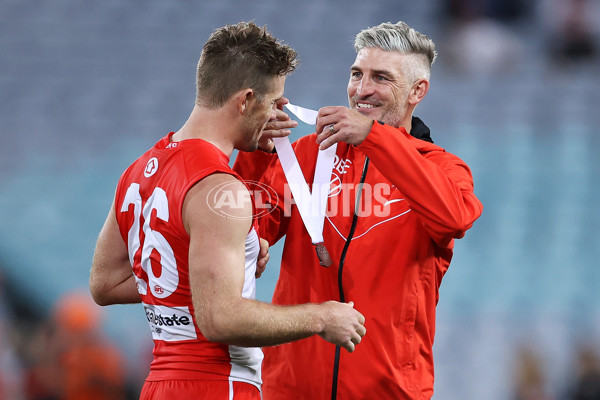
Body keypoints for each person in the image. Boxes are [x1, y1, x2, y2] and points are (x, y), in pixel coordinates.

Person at [89, 21, 366, 400]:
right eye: (273, 103)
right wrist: (322, 317)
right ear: (245, 100)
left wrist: (203, 279)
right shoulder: (220, 188)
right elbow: (220, 318)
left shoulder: (137, 171)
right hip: (217, 384)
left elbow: (104, 284)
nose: (276, 116)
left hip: (158, 385)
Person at [233, 21, 483, 399]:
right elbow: (244, 236)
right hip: (290, 388)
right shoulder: (308, 155)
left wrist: (374, 137)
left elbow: (453, 216)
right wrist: (255, 154)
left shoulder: (444, 169)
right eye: (356, 74)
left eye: (381, 78)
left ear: (418, 91)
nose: (362, 89)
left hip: (388, 391)